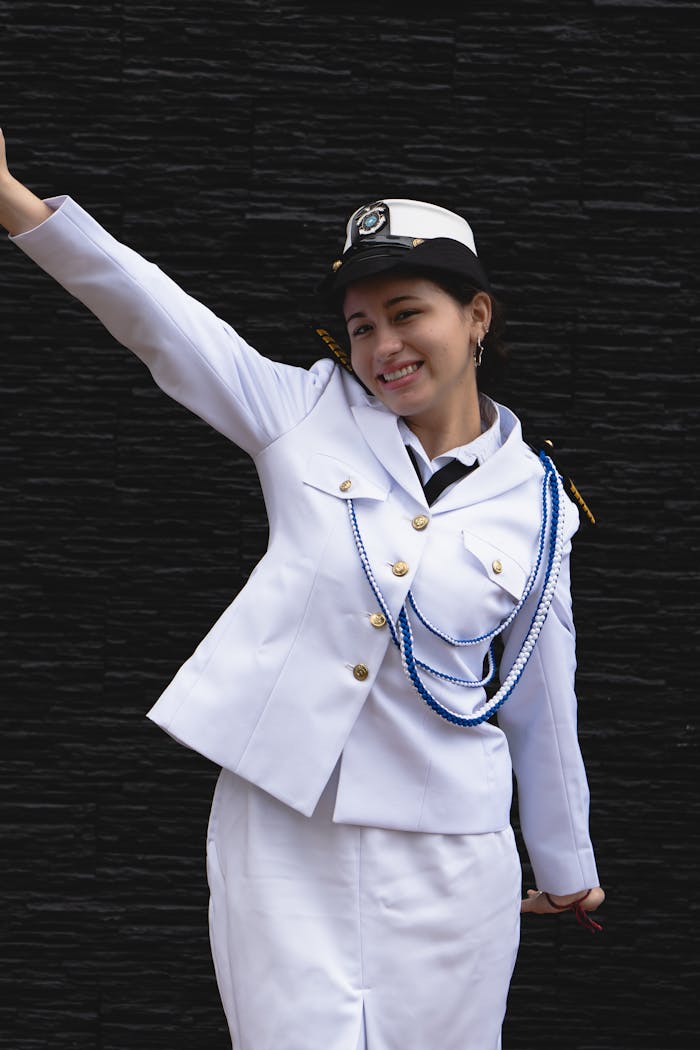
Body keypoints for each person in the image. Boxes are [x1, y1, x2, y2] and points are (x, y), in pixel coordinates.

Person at [1, 129, 604, 1050]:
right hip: (284, 829)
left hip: (451, 850)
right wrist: (12, 199)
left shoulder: (542, 502)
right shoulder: (302, 412)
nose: (384, 346)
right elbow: (157, 317)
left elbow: (539, 695)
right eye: (362, 326)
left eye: (409, 314)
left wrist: (565, 862)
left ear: (478, 315)